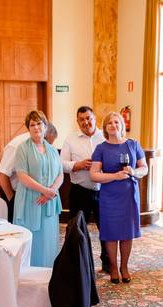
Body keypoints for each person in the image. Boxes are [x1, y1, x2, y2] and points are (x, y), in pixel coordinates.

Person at [89, 112, 147, 283]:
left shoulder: (133, 144)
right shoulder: (101, 148)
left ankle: (125, 266)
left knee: (127, 233)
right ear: (105, 128)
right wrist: (114, 176)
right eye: (109, 123)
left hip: (129, 195)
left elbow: (144, 168)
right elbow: (93, 175)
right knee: (111, 233)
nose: (113, 125)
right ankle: (114, 267)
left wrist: (134, 172)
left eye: (116, 122)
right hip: (109, 196)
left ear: (121, 125)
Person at [61, 105, 110, 273]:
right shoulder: (70, 139)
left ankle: (107, 263)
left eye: (88, 118)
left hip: (105, 191)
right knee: (77, 229)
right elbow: (61, 164)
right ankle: (78, 266)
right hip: (80, 191)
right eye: (82, 119)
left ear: (95, 118)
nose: (86, 122)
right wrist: (78, 165)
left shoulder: (105, 137)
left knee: (107, 229)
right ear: (77, 121)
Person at [13, 110, 63, 267]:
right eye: (32, 124)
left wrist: (51, 192)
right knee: (31, 240)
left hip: (49, 201)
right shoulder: (22, 148)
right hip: (30, 200)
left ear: (45, 125)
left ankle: (48, 275)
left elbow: (60, 174)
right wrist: (45, 190)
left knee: (48, 240)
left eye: (39, 123)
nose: (36, 127)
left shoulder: (53, 149)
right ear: (28, 128)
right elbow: (22, 176)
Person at [0, 119, 57, 222]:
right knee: (16, 229)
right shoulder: (18, 145)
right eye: (48, 143)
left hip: (31, 193)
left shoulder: (39, 145)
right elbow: (2, 173)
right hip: (14, 193)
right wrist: (12, 199)